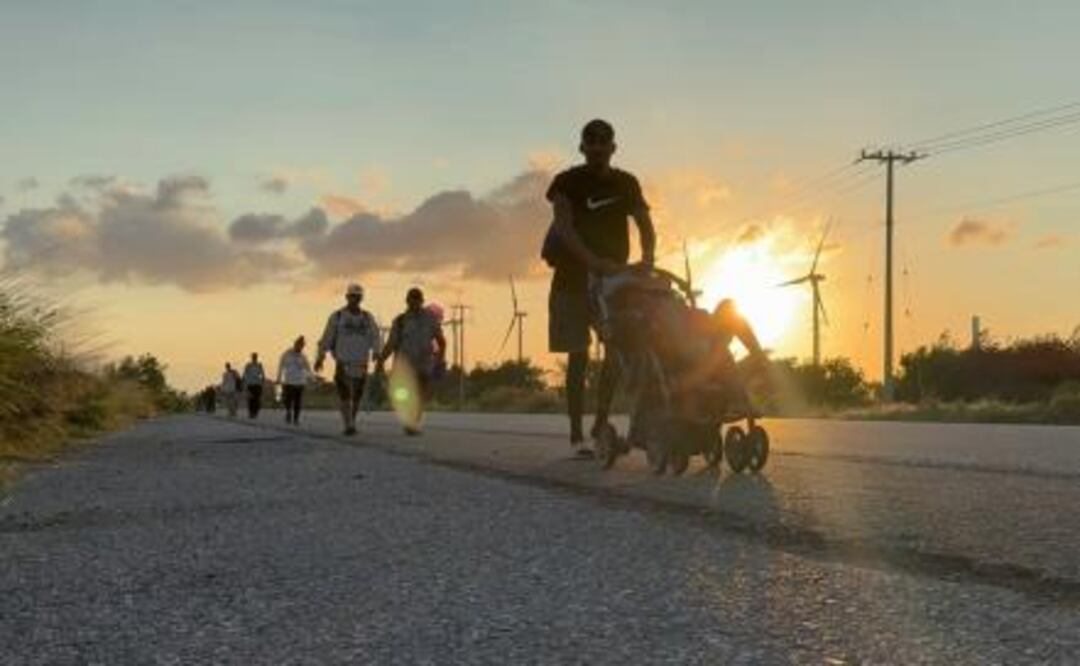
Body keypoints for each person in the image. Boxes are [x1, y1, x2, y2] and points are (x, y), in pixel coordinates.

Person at [545, 118, 656, 458]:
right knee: (577, 356)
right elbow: (564, 228)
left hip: (614, 282)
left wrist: (648, 258)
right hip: (572, 280)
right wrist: (593, 261)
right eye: (590, 142)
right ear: (582, 147)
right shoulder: (566, 182)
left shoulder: (626, 183)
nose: (596, 147)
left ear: (612, 147)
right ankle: (576, 435)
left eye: (602, 142)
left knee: (617, 349)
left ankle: (601, 423)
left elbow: (645, 224)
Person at [376, 287, 447, 435]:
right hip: (405, 366)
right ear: (407, 301)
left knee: (421, 396)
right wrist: (381, 360)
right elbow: (391, 344)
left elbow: (441, 341)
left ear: (422, 301)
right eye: (412, 299)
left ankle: (413, 422)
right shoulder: (400, 321)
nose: (414, 302)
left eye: (417, 299)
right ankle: (410, 422)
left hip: (424, 364)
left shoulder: (430, 319)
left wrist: (440, 360)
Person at [315, 283, 382, 435]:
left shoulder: (367, 317)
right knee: (345, 394)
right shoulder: (337, 316)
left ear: (361, 298)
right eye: (352, 296)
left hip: (361, 361)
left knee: (357, 395)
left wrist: (377, 352)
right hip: (343, 361)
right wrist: (321, 356)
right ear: (347, 297)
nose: (355, 299)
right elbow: (327, 337)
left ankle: (352, 420)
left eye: (358, 297)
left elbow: (375, 336)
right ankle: (348, 425)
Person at [276, 335, 313, 425]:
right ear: (295, 344)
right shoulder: (286, 354)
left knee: (297, 401)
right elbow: (281, 366)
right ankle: (288, 412)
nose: (300, 348)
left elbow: (308, 368)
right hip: (288, 381)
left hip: (299, 382)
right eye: (299, 345)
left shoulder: (303, 357)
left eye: (302, 346)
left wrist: (312, 378)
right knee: (287, 400)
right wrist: (278, 378)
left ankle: (296, 419)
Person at [242, 352, 266, 419]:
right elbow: (245, 373)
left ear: (256, 357)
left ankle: (255, 412)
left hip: (257, 384)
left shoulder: (259, 365)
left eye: (255, 357)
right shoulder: (248, 365)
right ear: (252, 357)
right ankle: (251, 412)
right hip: (250, 384)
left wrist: (263, 380)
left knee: (257, 399)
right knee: (251, 399)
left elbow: (262, 373)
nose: (254, 358)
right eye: (253, 357)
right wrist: (243, 381)